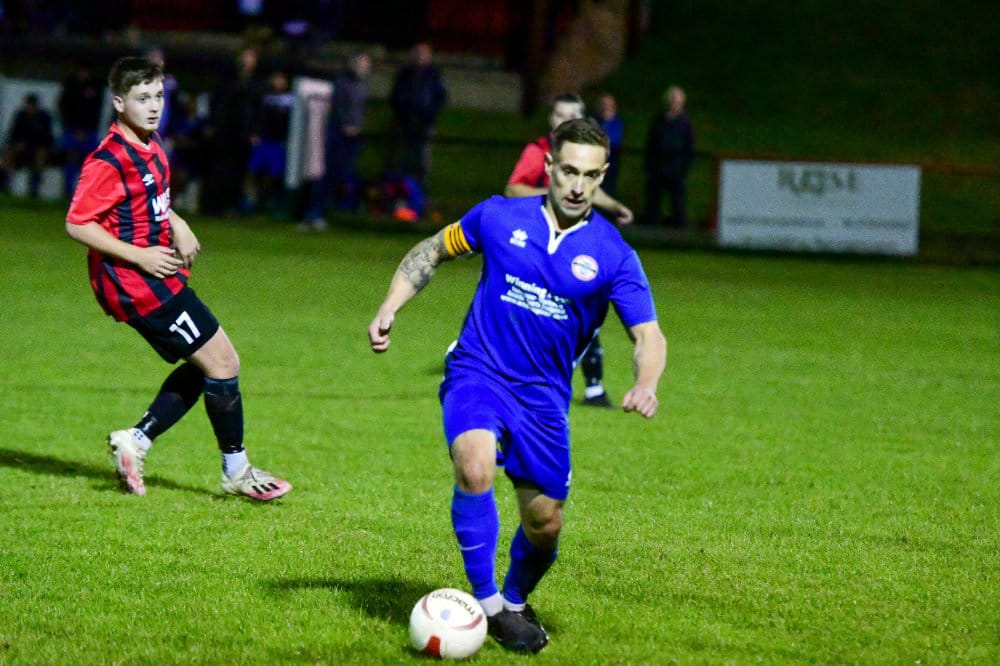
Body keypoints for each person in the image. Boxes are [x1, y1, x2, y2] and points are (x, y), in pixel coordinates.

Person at [369, 118, 667, 653]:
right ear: (549, 166)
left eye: (590, 176)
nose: (577, 186)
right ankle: (488, 608)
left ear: (603, 176)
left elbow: (648, 334)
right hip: (478, 372)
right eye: (568, 171)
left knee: (545, 522)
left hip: (543, 400)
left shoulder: (614, 254)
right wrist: (390, 306)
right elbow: (432, 250)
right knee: (474, 464)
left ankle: (513, 600)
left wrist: (646, 382)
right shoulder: (499, 216)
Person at [64, 56, 291, 502]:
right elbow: (77, 223)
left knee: (208, 365)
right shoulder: (109, 158)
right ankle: (236, 471)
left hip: (153, 276)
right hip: (137, 282)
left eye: (158, 96)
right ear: (118, 102)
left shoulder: (149, 144)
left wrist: (176, 222)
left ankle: (137, 440)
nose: (154, 106)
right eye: (142, 98)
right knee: (223, 363)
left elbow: (148, 200)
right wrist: (141, 256)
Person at [505, 92, 633, 408]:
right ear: (552, 119)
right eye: (561, 115)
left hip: (572, 241)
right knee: (535, 308)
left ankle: (593, 388)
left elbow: (591, 191)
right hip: (537, 242)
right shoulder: (539, 151)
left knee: (583, 304)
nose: (567, 121)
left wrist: (615, 207)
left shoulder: (583, 155)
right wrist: (554, 192)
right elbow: (513, 189)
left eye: (574, 115)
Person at [388, 41, 447, 183]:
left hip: (425, 122)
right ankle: (401, 183)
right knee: (403, 154)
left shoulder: (434, 75)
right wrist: (402, 112)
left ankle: (420, 184)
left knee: (423, 155)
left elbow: (440, 97)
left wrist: (430, 114)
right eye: (417, 53)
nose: (420, 56)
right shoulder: (404, 74)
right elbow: (396, 95)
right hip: (405, 121)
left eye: (423, 53)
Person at [643, 85, 694, 228]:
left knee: (678, 202)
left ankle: (679, 230)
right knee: (653, 200)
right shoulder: (658, 120)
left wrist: (684, 166)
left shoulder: (686, 123)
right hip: (658, 166)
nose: (676, 105)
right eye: (673, 101)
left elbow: (689, 146)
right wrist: (650, 164)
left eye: (679, 102)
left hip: (676, 168)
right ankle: (650, 227)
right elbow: (651, 143)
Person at [326, 50, 371, 211]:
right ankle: (327, 204)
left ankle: (342, 205)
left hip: (354, 133)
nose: (365, 68)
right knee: (335, 169)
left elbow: (360, 109)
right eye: (362, 64)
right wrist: (346, 124)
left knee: (348, 170)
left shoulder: (362, 85)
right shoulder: (342, 81)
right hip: (340, 133)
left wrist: (358, 126)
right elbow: (339, 104)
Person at [58, 62, 103, 197]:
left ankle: (87, 191)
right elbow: (65, 108)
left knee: (90, 160)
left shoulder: (95, 87)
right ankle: (67, 189)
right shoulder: (70, 86)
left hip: (89, 130)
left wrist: (87, 129)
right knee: (71, 157)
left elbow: (96, 111)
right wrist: (73, 128)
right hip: (72, 129)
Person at [3, 92, 54, 198]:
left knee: (41, 155)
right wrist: (17, 144)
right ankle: (4, 184)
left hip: (36, 149)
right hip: (21, 149)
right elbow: (12, 135)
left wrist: (31, 144)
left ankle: (34, 188)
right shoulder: (20, 116)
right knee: (7, 155)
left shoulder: (44, 118)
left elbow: (47, 138)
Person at [591, 92, 623, 197]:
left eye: (610, 105)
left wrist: (607, 123)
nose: (607, 108)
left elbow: (613, 140)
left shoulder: (616, 122)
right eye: (604, 105)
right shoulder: (592, 120)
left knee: (608, 192)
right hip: (593, 163)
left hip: (610, 164)